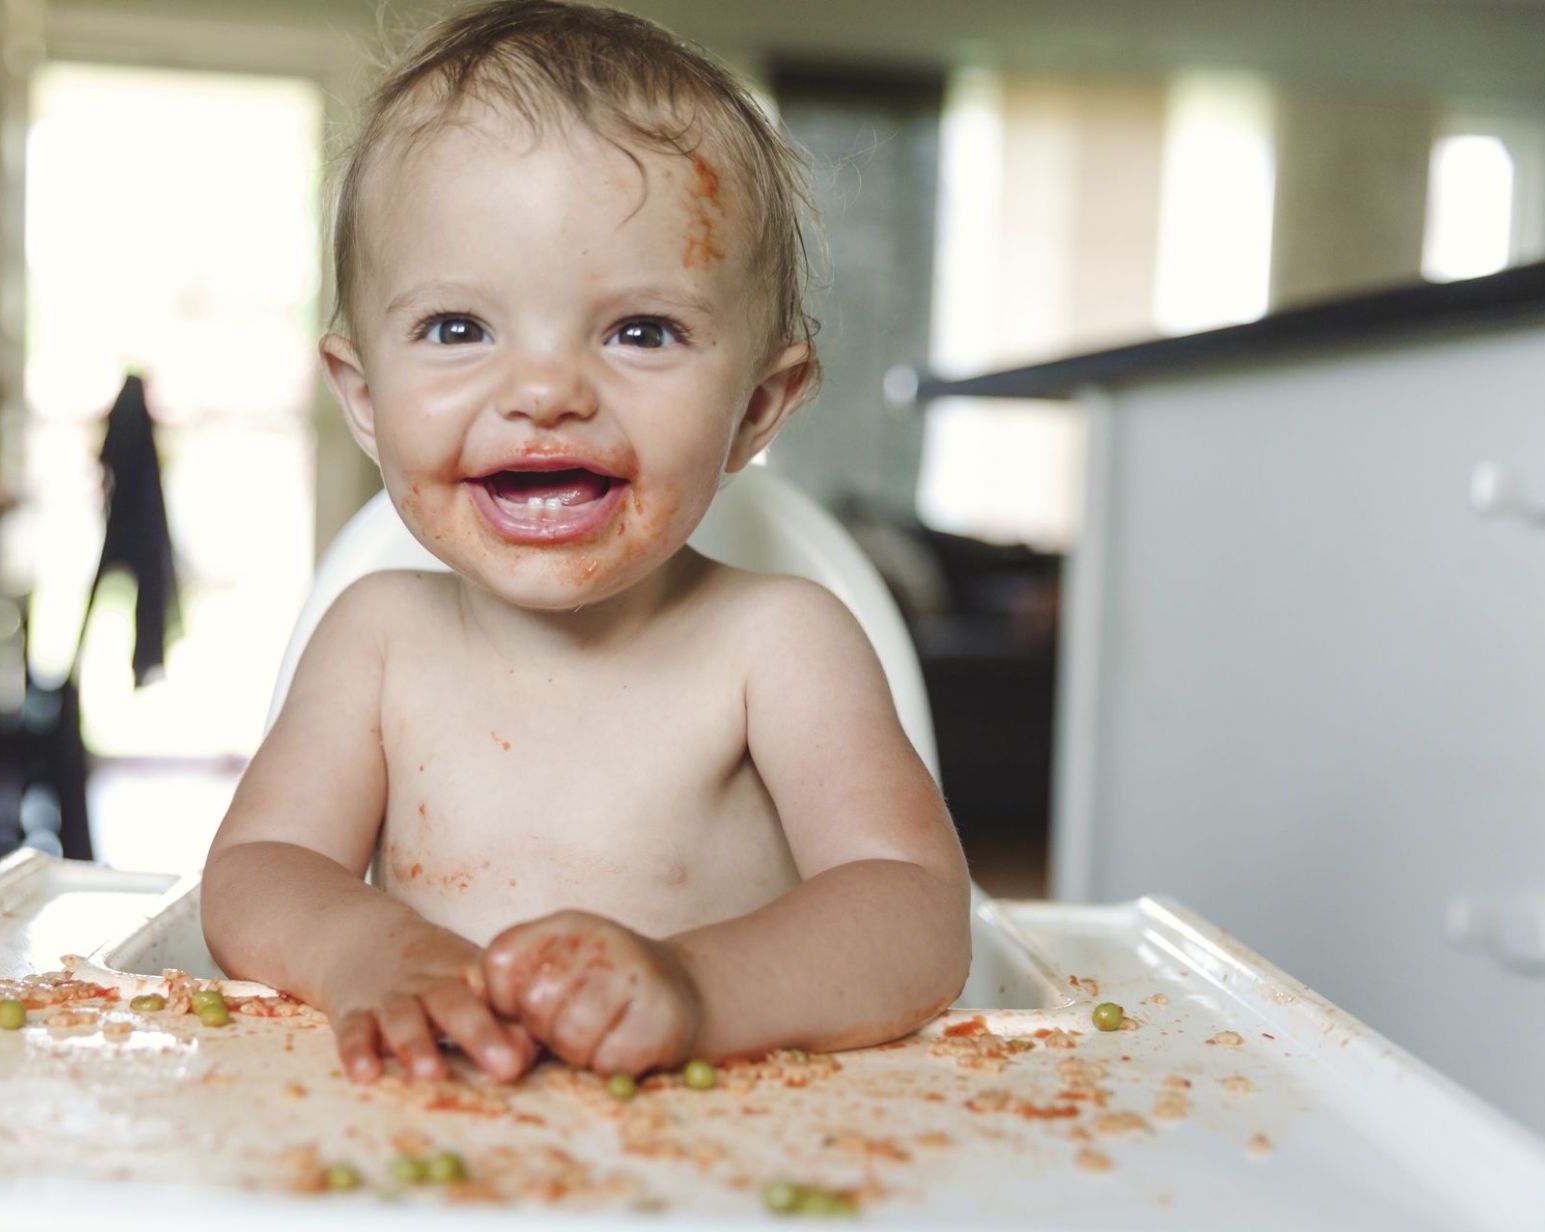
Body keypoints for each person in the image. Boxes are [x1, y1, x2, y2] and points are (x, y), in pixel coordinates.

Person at [202, 0, 969, 1086]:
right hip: (423, 1150)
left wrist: (695, 989)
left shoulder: (777, 646)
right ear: (363, 397)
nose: (546, 391)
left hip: (720, 1169)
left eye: (640, 331)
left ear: (758, 408)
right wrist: (368, 947)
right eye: (458, 328)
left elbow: (912, 912)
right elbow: (255, 870)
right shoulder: (377, 639)